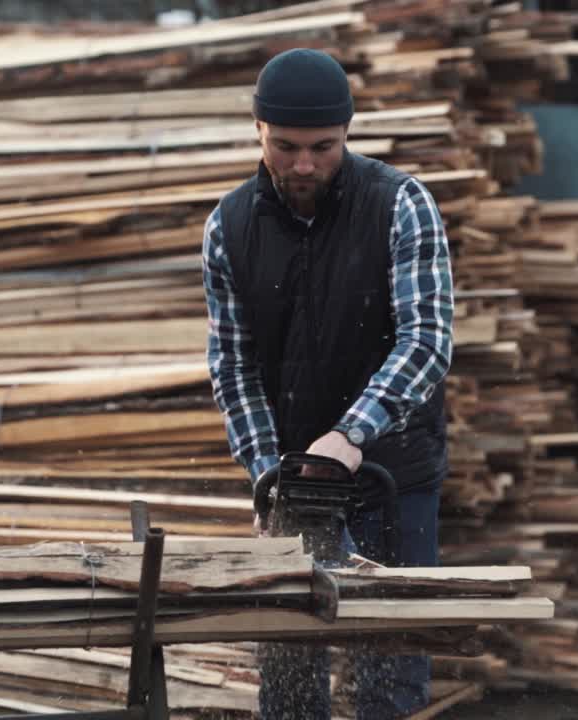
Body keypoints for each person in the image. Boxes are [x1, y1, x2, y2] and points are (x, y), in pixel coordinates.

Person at [200, 47, 455, 720]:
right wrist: (269, 475)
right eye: (286, 147)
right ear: (257, 130)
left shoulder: (401, 205)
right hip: (293, 486)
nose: (305, 165)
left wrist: (350, 435)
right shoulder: (227, 228)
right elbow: (234, 365)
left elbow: (426, 342)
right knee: (287, 675)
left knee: (388, 676)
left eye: (324, 147)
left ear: (348, 132)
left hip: (391, 475)